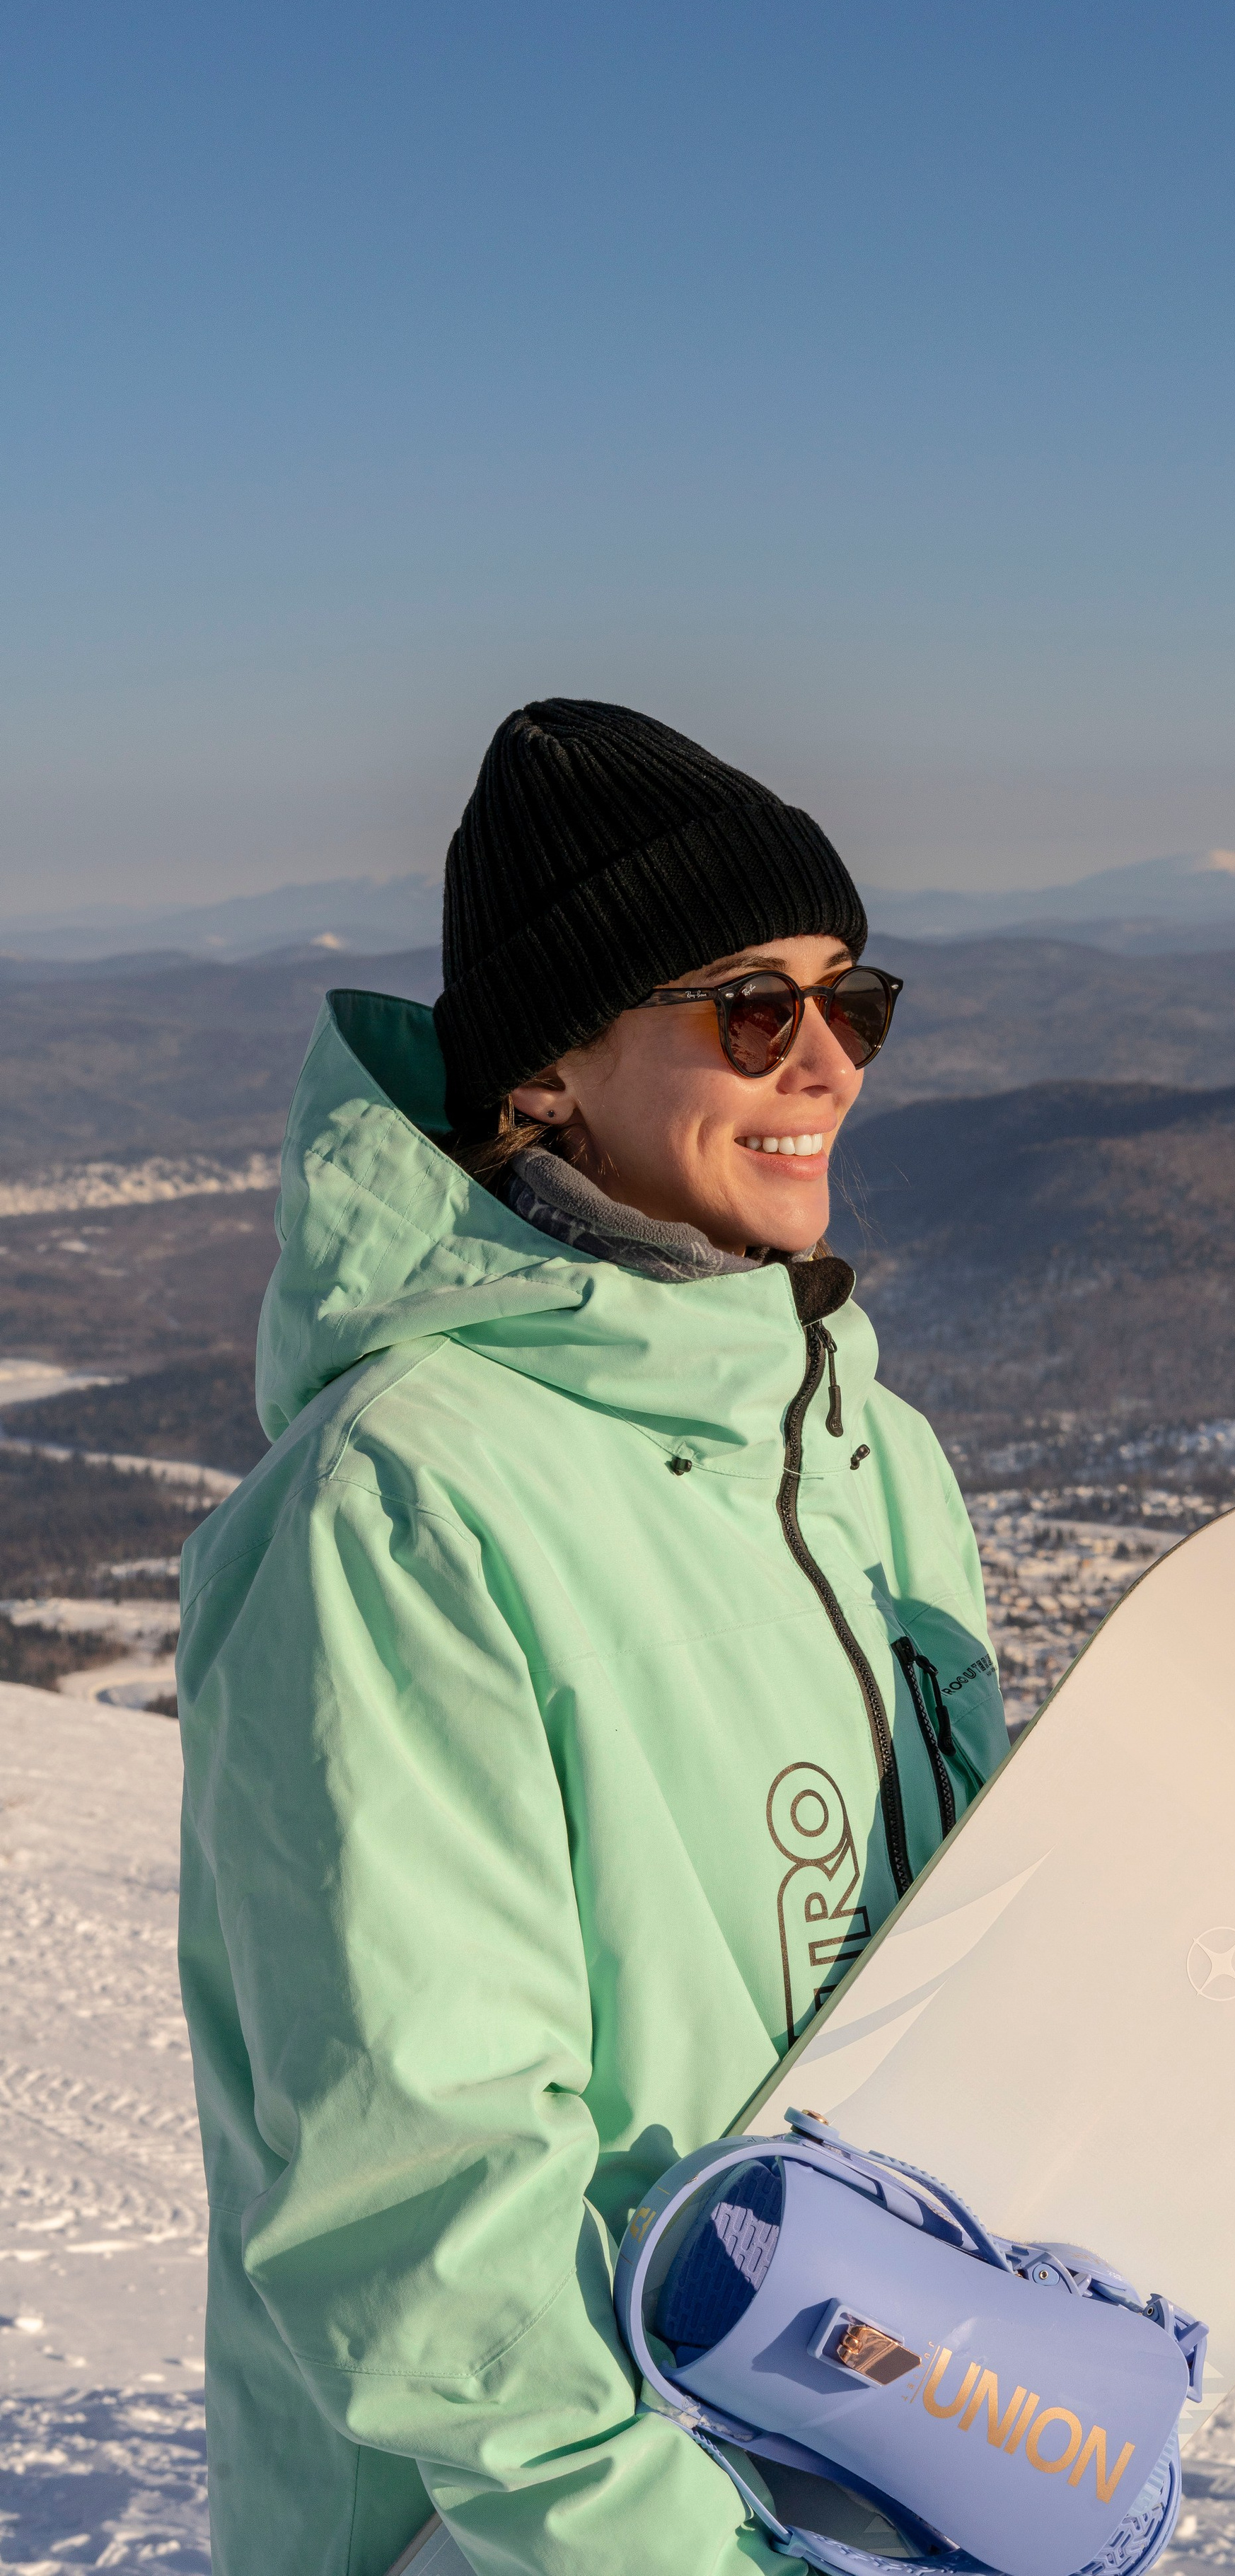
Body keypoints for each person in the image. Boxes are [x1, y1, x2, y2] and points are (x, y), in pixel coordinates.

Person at [177, 702, 1009, 2576]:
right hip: (533, 2540)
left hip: (867, 2478)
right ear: (549, 1071)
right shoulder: (398, 1508)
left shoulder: (872, 1454)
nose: (828, 1066)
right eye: (751, 1010)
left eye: (851, 1004)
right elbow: (420, 2205)